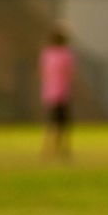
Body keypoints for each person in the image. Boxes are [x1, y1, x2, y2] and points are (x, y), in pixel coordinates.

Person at [40, 28, 75, 159]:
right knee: (64, 123)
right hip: (63, 93)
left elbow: (42, 73)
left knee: (51, 122)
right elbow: (69, 74)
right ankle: (63, 148)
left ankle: (48, 148)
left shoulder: (46, 54)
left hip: (49, 93)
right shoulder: (66, 55)